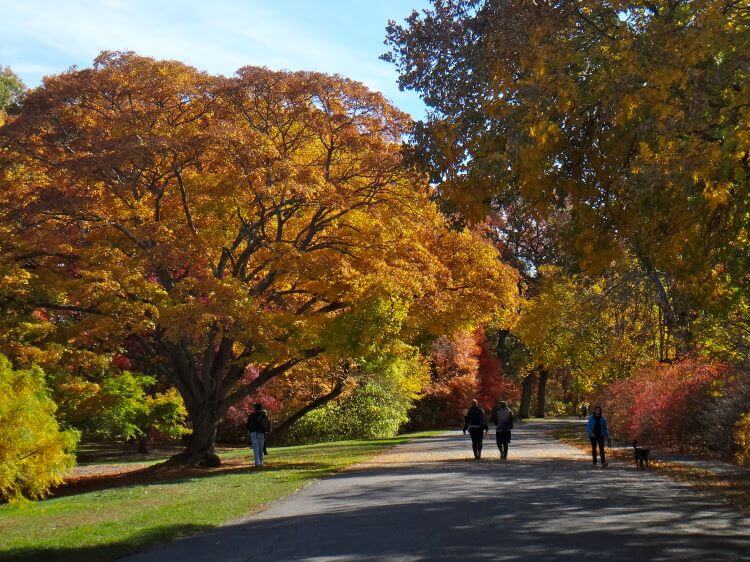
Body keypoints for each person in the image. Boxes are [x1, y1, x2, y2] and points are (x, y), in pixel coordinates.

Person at [246, 403, 271, 467]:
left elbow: (247, 424)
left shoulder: (251, 415)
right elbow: (267, 424)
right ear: (261, 408)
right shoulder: (264, 415)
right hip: (261, 433)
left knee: (255, 448)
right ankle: (261, 462)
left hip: (253, 433)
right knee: (261, 448)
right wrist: (266, 431)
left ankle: (257, 463)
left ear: (255, 408)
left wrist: (250, 430)